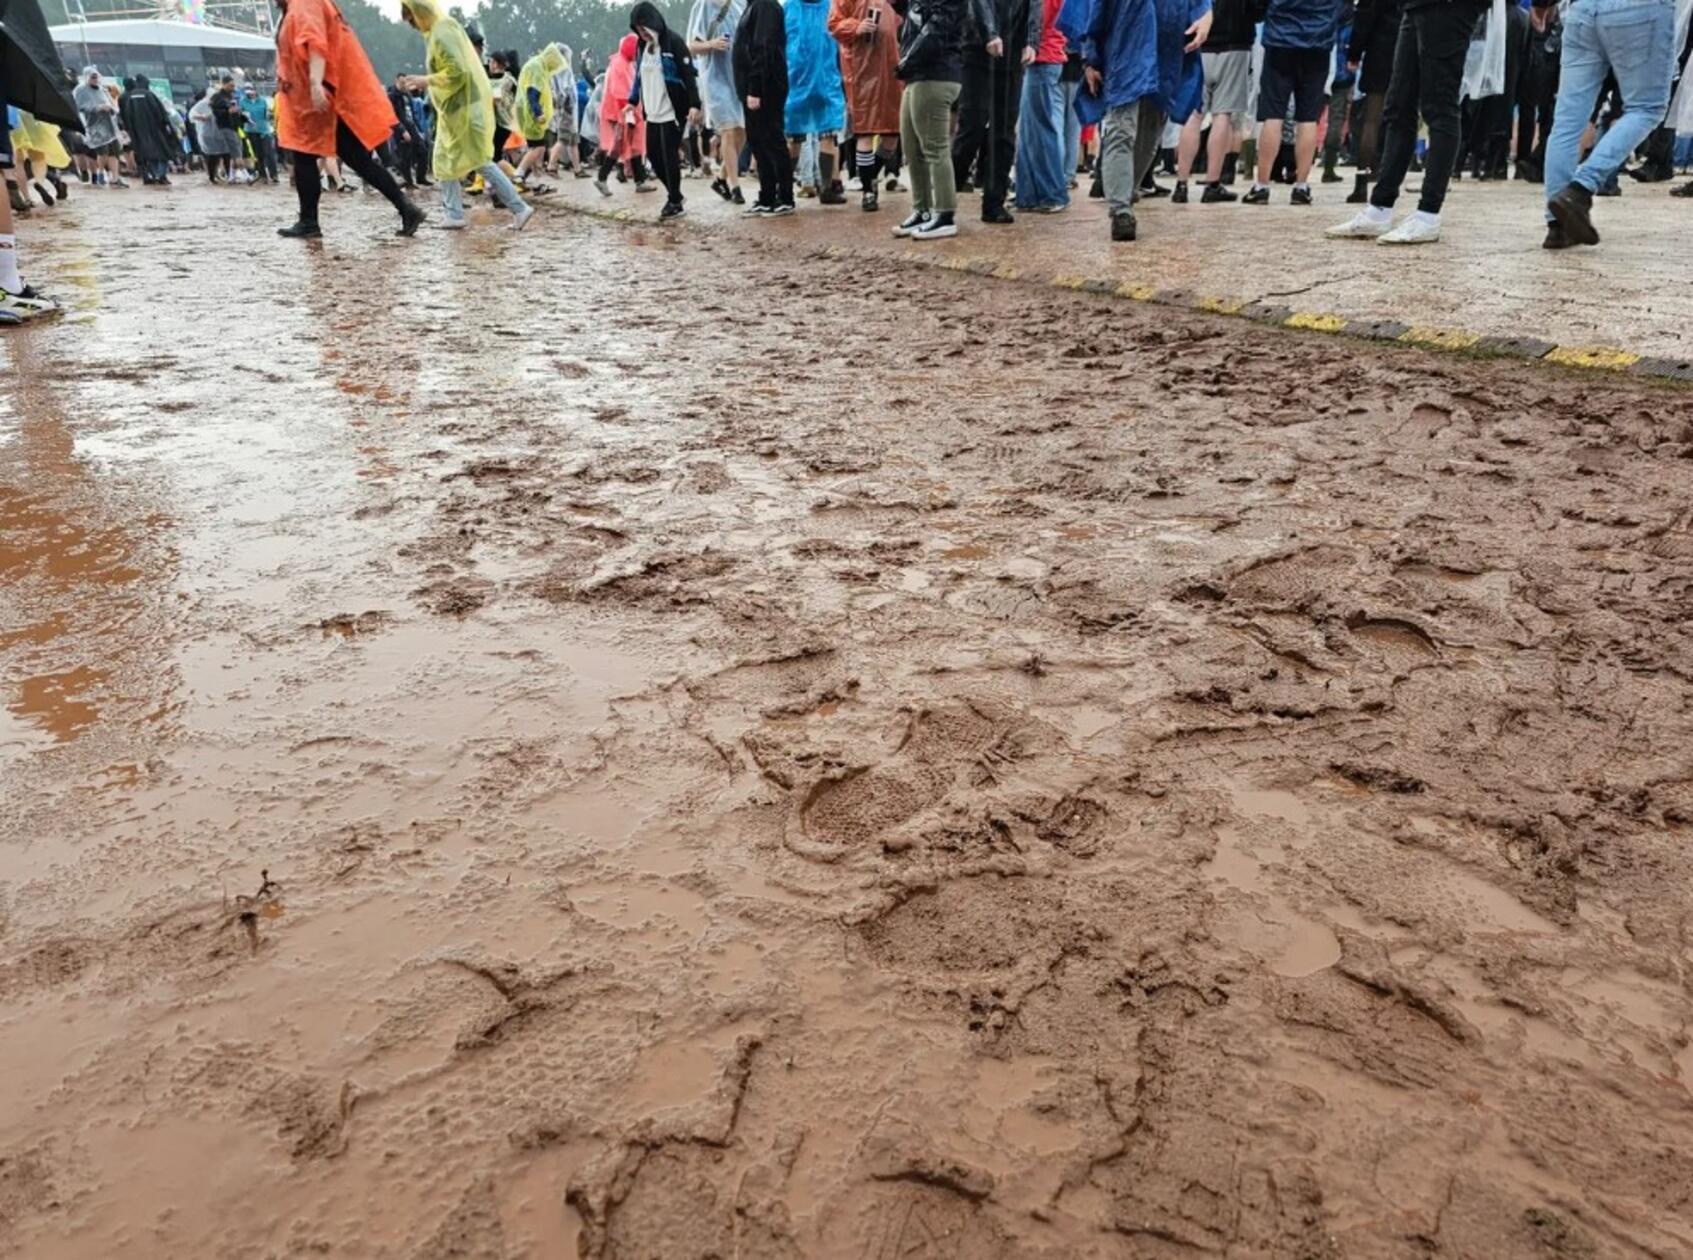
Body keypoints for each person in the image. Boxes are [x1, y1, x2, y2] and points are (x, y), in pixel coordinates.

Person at [1324, 0, 1490, 244]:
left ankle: (1428, 213)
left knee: (1439, 105)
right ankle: (1380, 206)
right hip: (1415, 7)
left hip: (1449, 7)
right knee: (1398, 106)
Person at [274, 0, 425, 238]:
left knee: (304, 154)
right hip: (317, 97)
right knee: (355, 158)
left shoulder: (304, 3)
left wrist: (315, 83)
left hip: (319, 99)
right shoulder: (303, 5)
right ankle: (406, 208)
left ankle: (309, 221)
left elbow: (315, 42)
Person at [1067, 0, 1214, 241]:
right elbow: (1091, 8)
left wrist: (1206, 15)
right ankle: (1120, 209)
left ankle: (1127, 190)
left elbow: (1202, 5)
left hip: (1166, 52)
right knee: (1121, 128)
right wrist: (1089, 58)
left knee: (1150, 133)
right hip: (1125, 50)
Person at [1542, 0, 1675, 248]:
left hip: (1582, 9)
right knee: (1647, 108)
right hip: (1640, 10)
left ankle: (1558, 227)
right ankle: (1581, 189)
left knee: (1567, 122)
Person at [396, 0, 533, 230]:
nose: (412, 25)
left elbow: (457, 72)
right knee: (446, 161)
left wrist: (426, 80)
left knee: (478, 161)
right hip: (455, 112)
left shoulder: (443, 32)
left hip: (464, 111)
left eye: (411, 19)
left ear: (420, 12)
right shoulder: (437, 32)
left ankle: (519, 207)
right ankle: (455, 213)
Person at [891, 0, 982, 239]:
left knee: (934, 147)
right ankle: (922, 209)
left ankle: (944, 214)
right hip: (919, 73)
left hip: (936, 72)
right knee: (912, 148)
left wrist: (907, 61)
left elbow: (937, 29)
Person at [1242, 0, 1341, 204]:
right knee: (1308, 118)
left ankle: (1262, 186)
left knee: (1273, 114)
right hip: (1318, 42)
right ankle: (1301, 187)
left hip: (1280, 39)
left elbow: (1257, 7)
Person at [953, 0, 1043, 222]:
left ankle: (994, 202)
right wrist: (989, 33)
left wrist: (1032, 40)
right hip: (977, 48)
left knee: (1003, 132)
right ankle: (945, 195)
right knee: (971, 127)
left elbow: (1034, 5)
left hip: (1012, 51)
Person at [1171, 0, 1257, 203]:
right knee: (1223, 114)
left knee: (1194, 114)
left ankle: (1181, 184)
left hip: (1198, 43)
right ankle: (1212, 183)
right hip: (1235, 41)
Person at [628, 1, 702, 220]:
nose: (642, 34)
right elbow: (638, 77)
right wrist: (632, 101)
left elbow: (689, 75)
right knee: (653, 155)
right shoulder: (641, 47)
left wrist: (694, 104)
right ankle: (675, 195)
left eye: (644, 29)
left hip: (672, 108)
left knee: (669, 155)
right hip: (651, 110)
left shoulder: (675, 43)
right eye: (638, 31)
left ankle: (674, 201)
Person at [829, 0, 903, 209]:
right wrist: (856, 27)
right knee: (866, 131)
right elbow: (834, 23)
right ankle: (868, 192)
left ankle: (870, 177)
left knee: (892, 134)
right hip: (861, 69)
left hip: (892, 68)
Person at [736, 0, 798, 212]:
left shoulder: (765, 6)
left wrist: (754, 88)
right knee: (758, 142)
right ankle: (767, 195)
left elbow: (763, 47)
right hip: (756, 88)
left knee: (772, 140)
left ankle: (785, 196)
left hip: (766, 88)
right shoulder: (755, 7)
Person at [785, 0, 849, 202]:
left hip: (804, 79)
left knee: (805, 136)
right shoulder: (830, 6)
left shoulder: (791, 7)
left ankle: (786, 189)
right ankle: (826, 188)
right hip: (818, 78)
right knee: (820, 135)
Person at [689, 0, 749, 202]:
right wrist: (711, 44)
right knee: (729, 130)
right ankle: (735, 187)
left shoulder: (740, 4)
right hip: (716, 79)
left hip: (739, 78)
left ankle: (721, 179)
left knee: (742, 132)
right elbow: (692, 45)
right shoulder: (704, 5)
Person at [1341, 0, 1399, 202]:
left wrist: (1354, 53)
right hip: (1408, 49)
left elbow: (1364, 17)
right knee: (1401, 120)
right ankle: (1389, 178)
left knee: (1371, 120)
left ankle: (1361, 183)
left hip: (1379, 52)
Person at [1014, 0, 1067, 212]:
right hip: (1042, 58)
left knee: (1040, 129)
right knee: (1030, 131)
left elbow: (1038, 19)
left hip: (1043, 58)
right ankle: (1028, 194)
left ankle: (1052, 193)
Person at [595, 35, 652, 192]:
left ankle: (639, 181)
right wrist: (628, 114)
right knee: (621, 145)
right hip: (623, 112)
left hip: (625, 111)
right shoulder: (620, 64)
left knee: (631, 146)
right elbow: (619, 91)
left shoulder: (625, 62)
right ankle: (603, 178)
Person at [515, 43, 567, 185]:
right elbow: (533, 92)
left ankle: (528, 177)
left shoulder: (538, 65)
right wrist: (538, 113)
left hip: (528, 112)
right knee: (539, 147)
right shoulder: (536, 67)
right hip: (531, 114)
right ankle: (518, 174)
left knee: (534, 147)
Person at [74, 68, 127, 188]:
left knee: (114, 152)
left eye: (96, 76)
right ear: (87, 77)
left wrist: (111, 109)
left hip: (110, 125)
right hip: (95, 127)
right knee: (102, 153)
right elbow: (80, 106)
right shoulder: (81, 90)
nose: (95, 79)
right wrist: (97, 108)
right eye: (92, 77)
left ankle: (115, 177)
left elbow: (113, 104)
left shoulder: (103, 89)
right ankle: (100, 173)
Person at [120, 76, 175, 185]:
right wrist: (166, 125)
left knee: (147, 155)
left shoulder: (129, 96)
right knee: (163, 153)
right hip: (155, 130)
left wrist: (129, 130)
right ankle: (161, 175)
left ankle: (154, 175)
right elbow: (160, 112)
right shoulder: (149, 94)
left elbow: (126, 114)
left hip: (138, 132)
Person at [547, 43, 583, 175]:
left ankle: (577, 168)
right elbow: (564, 90)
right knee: (563, 139)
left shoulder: (556, 70)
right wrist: (566, 106)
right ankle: (551, 165)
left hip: (567, 109)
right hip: (567, 109)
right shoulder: (563, 70)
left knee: (573, 140)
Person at [210, 75, 248, 181]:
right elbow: (215, 112)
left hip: (235, 126)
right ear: (224, 84)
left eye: (233, 85)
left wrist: (240, 114)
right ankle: (246, 175)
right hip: (225, 126)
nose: (233, 87)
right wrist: (227, 111)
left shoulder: (232, 96)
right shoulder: (217, 96)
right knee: (237, 152)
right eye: (231, 85)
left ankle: (232, 176)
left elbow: (235, 110)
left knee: (235, 151)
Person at [241, 82, 279, 183]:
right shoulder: (243, 101)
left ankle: (274, 174)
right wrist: (245, 117)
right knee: (258, 154)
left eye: (251, 89)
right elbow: (241, 115)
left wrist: (269, 114)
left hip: (265, 129)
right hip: (251, 130)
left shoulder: (263, 101)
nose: (250, 92)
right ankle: (262, 175)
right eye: (247, 89)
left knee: (269, 152)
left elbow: (270, 113)